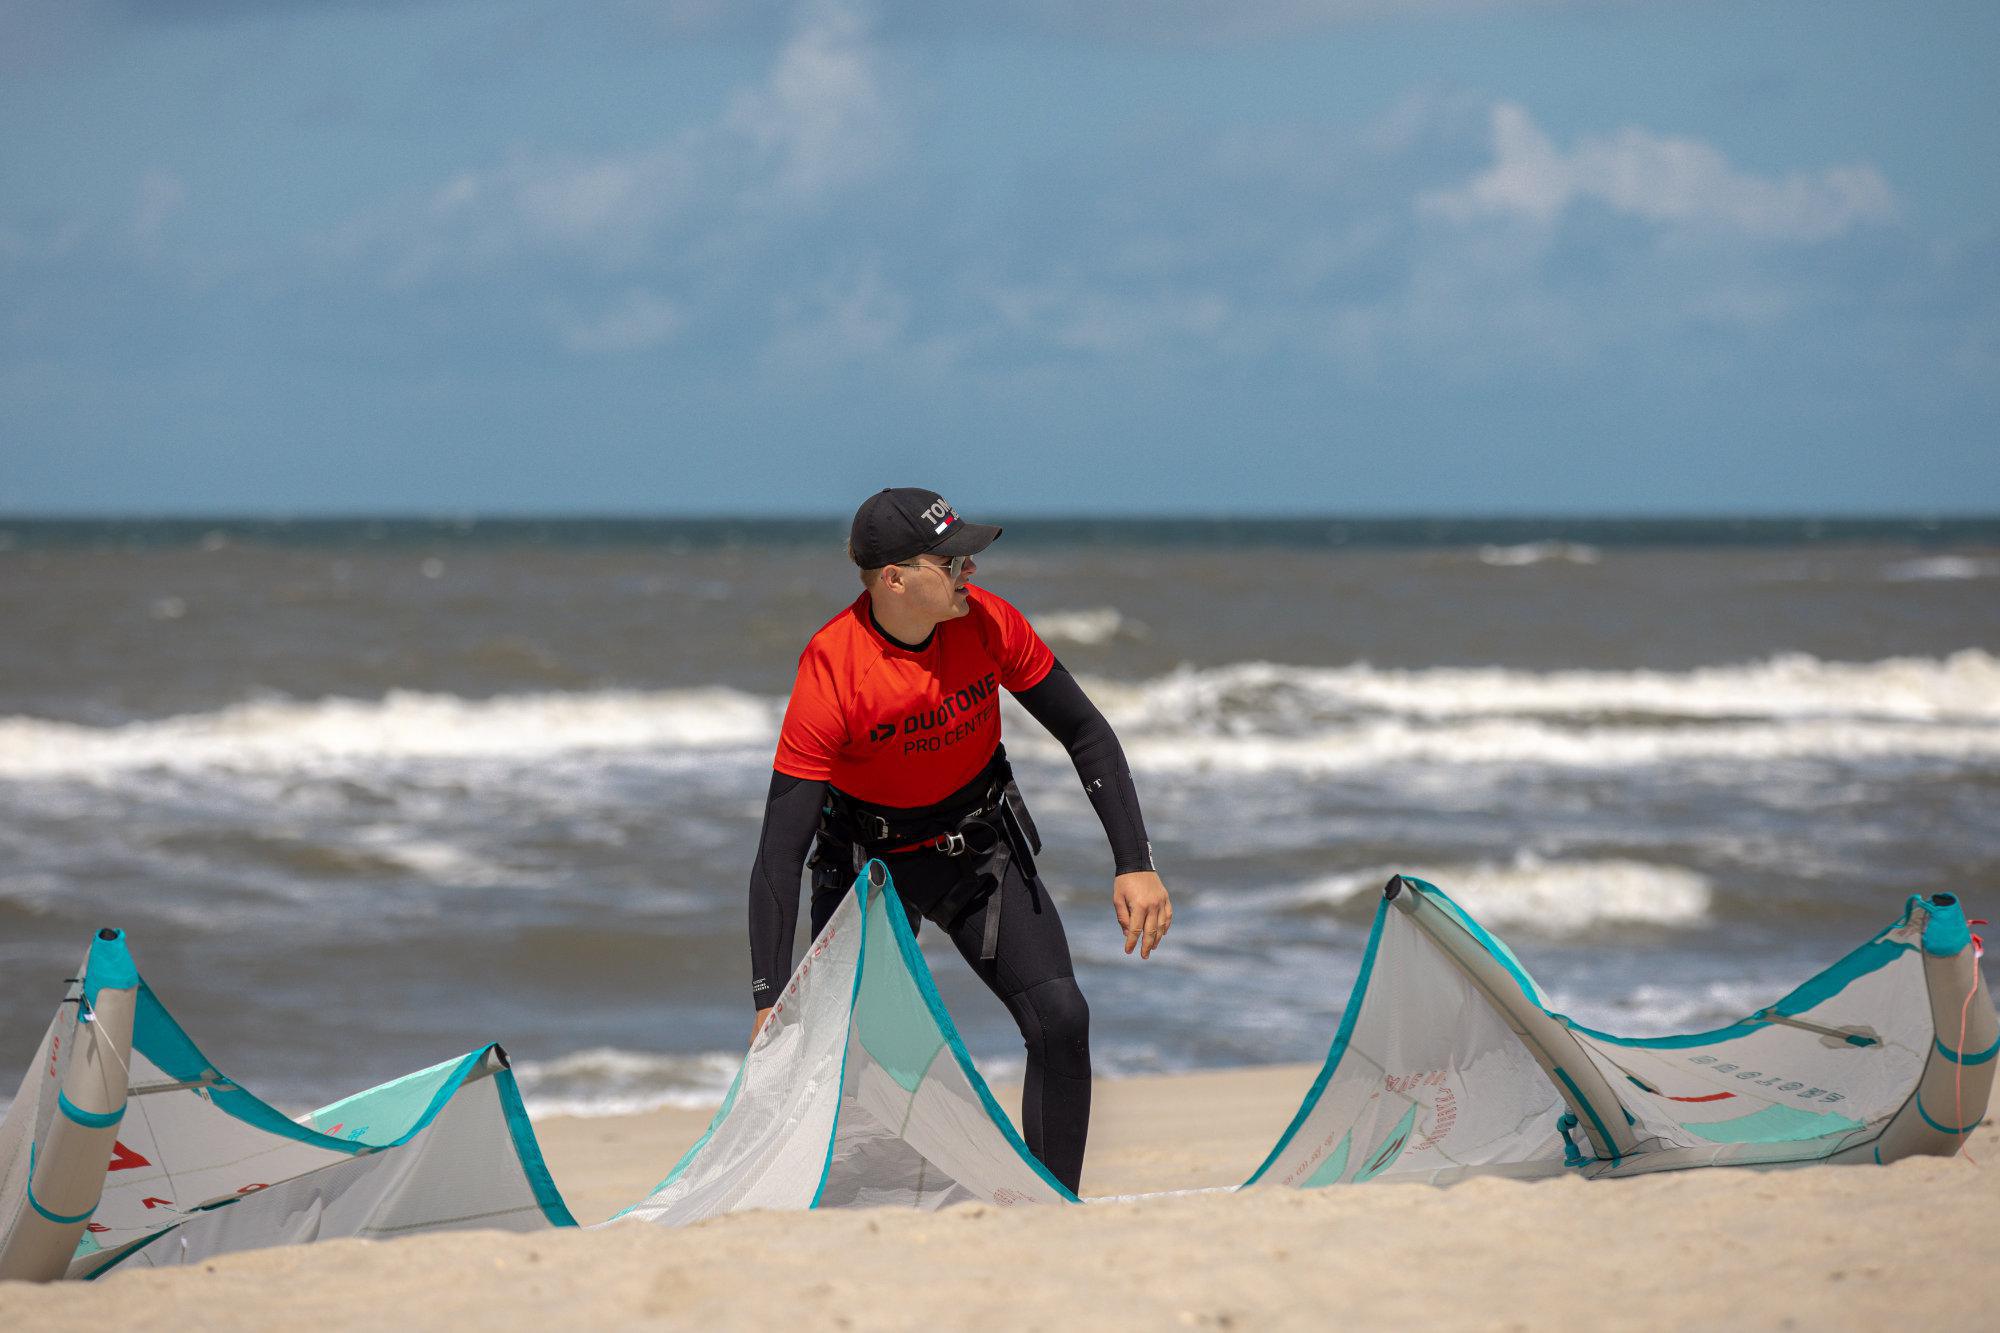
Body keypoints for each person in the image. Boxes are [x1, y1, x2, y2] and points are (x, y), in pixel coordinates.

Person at [746, 488, 1172, 1193]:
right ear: (894, 579)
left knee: (1062, 1018)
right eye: (949, 560)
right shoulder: (833, 667)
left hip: (977, 850)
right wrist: (769, 994)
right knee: (854, 1058)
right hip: (869, 869)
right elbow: (780, 850)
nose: (968, 568)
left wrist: (1135, 863)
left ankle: (1054, 1207)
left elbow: (1086, 732)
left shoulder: (989, 622)